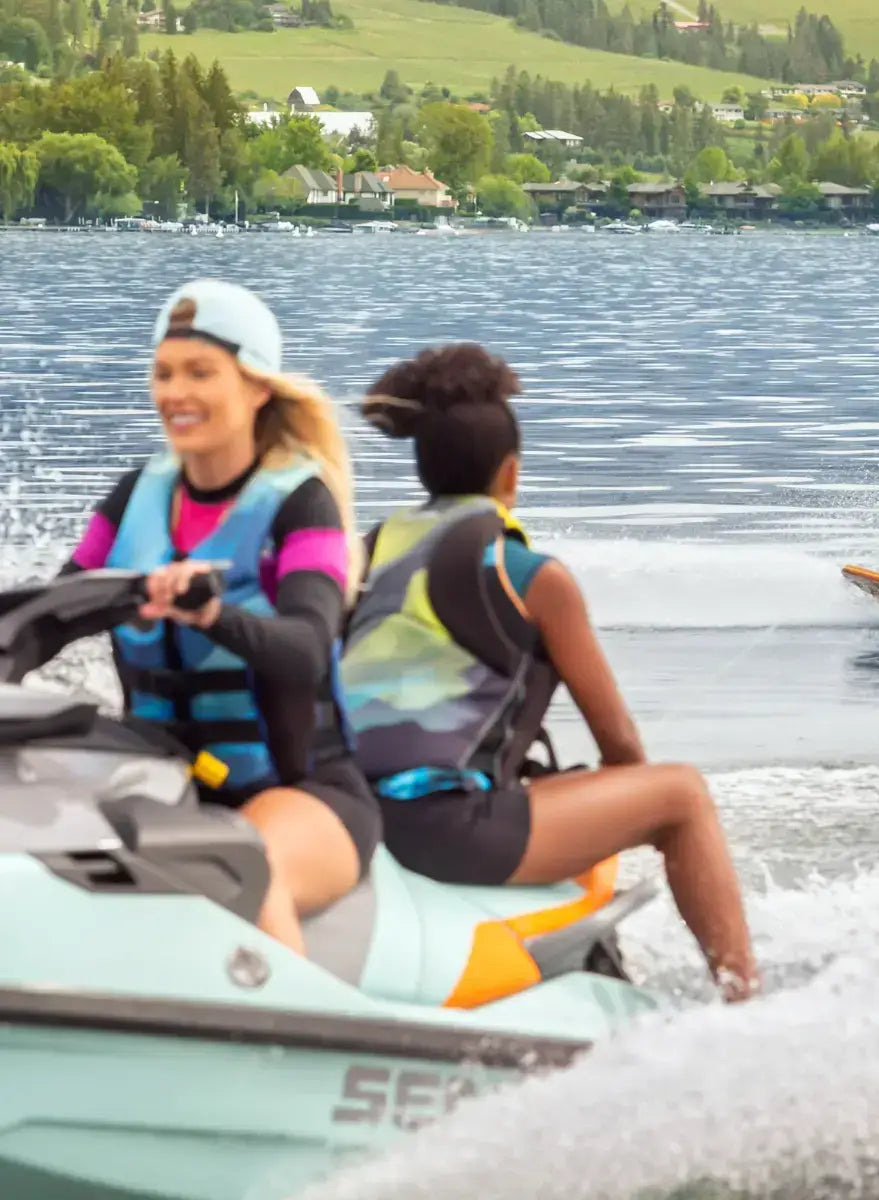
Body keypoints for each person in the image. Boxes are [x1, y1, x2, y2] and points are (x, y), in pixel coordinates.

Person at [339, 343, 760, 1004]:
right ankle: (744, 1001)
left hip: (345, 815)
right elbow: (620, 745)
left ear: (423, 470)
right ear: (510, 475)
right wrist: (609, 809)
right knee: (680, 796)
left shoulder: (363, 555)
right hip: (444, 830)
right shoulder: (530, 577)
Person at [63, 278, 381, 957]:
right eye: (164, 373)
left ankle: (289, 1056)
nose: (175, 393)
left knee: (243, 869)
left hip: (304, 794)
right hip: (167, 783)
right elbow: (55, 613)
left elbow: (303, 646)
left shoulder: (301, 504)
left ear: (257, 387)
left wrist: (212, 612)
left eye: (201, 373)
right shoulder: (135, 497)